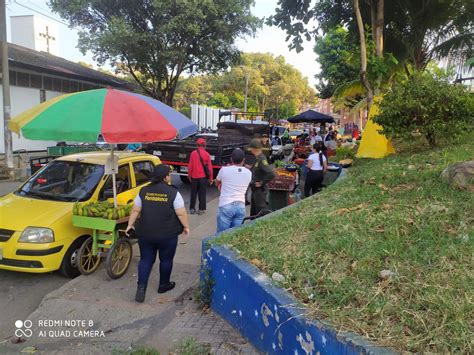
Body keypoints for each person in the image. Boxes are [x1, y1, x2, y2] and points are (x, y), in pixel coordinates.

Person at [126, 164, 190, 303]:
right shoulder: (173, 192)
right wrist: (186, 227)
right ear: (166, 177)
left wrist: (130, 225)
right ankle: (163, 285)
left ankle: (141, 288)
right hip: (167, 234)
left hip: (145, 233)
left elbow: (136, 210)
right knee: (166, 260)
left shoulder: (143, 191)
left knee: (145, 259)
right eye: (169, 174)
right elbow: (181, 213)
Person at [215, 148, 252, 232]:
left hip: (226, 205)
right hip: (240, 206)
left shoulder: (224, 170)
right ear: (244, 160)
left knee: (221, 235)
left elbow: (217, 183)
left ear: (231, 159)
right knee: (234, 234)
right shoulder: (249, 173)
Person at [248, 138, 275, 216]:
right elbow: (258, 169)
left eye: (251, 148)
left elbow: (271, 174)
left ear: (254, 149)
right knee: (253, 212)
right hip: (255, 190)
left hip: (260, 191)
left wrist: (262, 182)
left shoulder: (262, 159)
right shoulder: (257, 158)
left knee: (260, 212)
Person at [188, 138, 213, 215]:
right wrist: (210, 178)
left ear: (197, 145)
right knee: (202, 193)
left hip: (194, 177)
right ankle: (201, 209)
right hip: (202, 178)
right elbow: (210, 168)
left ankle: (192, 208)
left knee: (193, 193)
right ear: (204, 145)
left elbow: (190, 166)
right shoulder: (207, 154)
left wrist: (189, 175)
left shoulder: (193, 153)